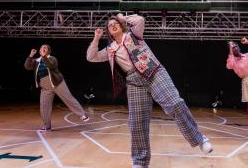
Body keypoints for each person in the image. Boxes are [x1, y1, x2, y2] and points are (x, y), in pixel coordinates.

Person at [87, 14, 213, 168]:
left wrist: (123, 17)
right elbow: (91, 56)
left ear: (121, 26)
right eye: (110, 25)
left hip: (153, 72)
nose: (113, 25)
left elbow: (139, 20)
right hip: (134, 82)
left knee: (175, 104)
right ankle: (140, 162)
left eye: (116, 23)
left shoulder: (134, 35)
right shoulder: (110, 50)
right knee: (136, 123)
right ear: (109, 32)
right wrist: (96, 38)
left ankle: (200, 140)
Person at [24, 44, 89, 131]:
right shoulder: (36, 61)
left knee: (68, 98)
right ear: (39, 51)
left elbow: (50, 66)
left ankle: (82, 115)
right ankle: (47, 125)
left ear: (48, 50)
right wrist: (31, 55)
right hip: (45, 86)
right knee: (44, 106)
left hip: (57, 83)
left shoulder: (52, 58)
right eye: (42, 47)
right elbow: (27, 67)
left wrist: (44, 57)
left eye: (45, 48)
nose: (43, 48)